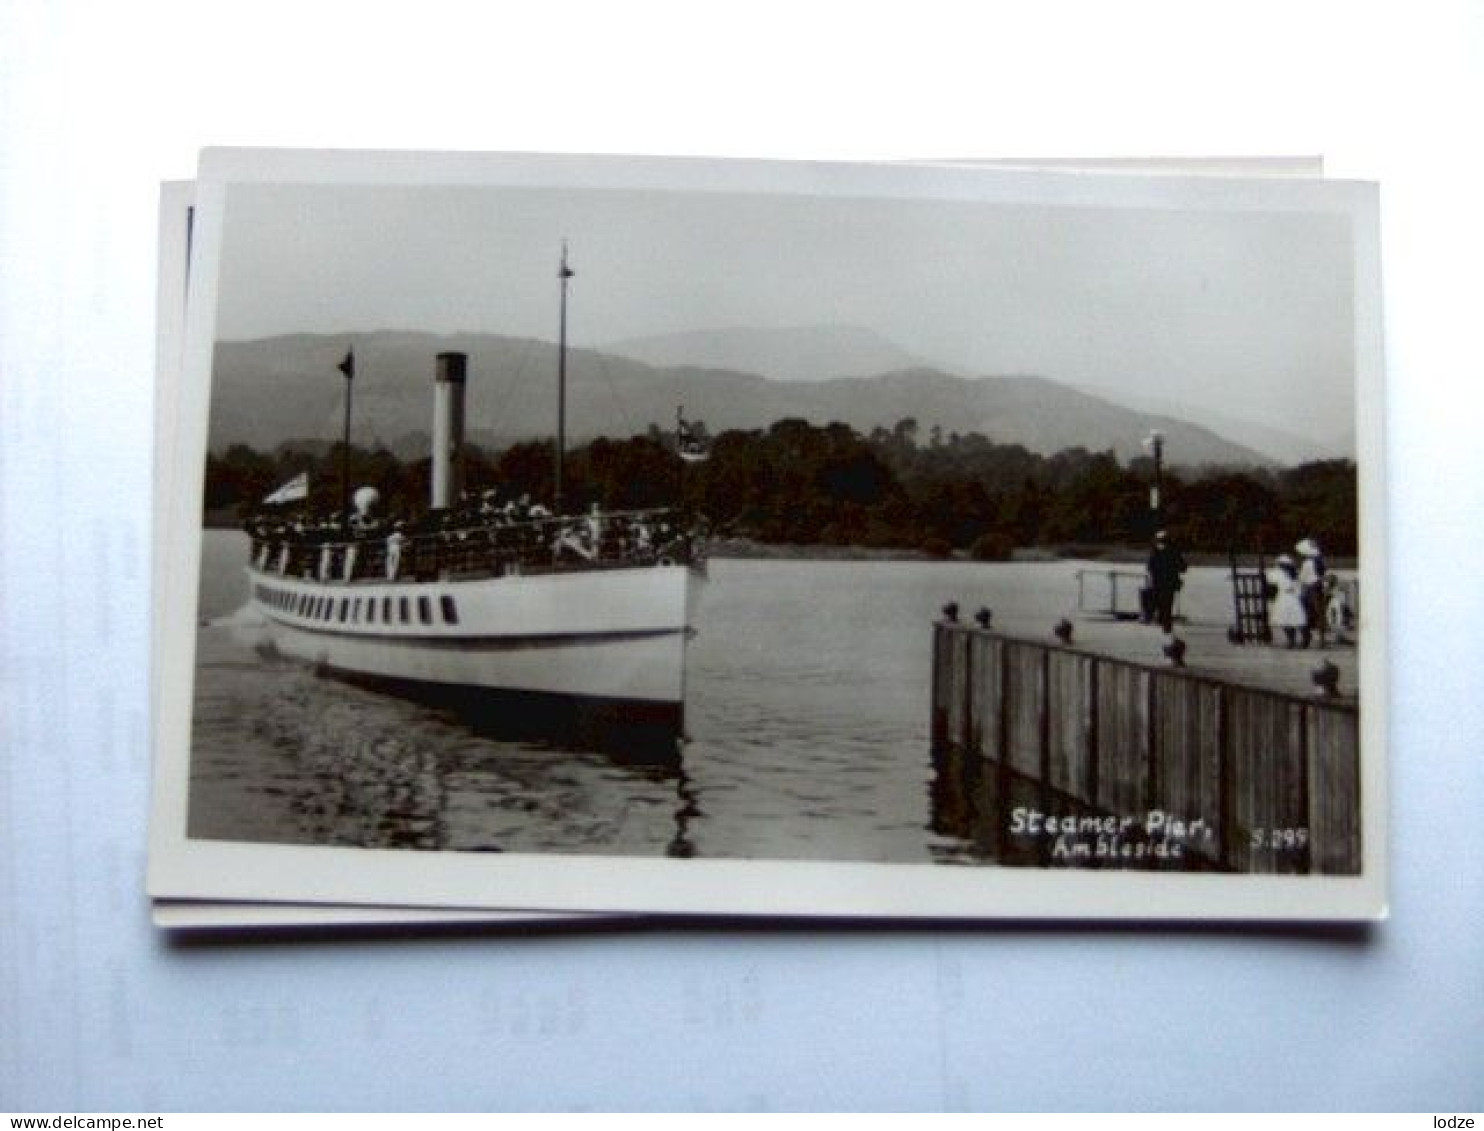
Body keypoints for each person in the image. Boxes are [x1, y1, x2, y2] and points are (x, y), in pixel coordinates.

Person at [1145, 529, 1187, 634]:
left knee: (1161, 602)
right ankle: (1165, 622)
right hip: (1168, 582)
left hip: (1160, 582)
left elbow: (1150, 567)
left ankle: (1161, 619)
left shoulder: (1156, 551)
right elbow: (1183, 567)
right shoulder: (1173, 551)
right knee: (1167, 603)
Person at [1268, 554, 1307, 648]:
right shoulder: (1291, 574)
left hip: (1287, 598)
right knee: (1291, 620)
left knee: (1289, 620)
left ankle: (1294, 640)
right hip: (1290, 598)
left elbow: (1271, 581)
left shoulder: (1280, 574)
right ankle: (1297, 640)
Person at [1296, 537, 1327, 648]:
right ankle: (1322, 640)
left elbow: (1302, 578)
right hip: (1317, 587)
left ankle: (1306, 638)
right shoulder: (1320, 561)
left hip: (1308, 588)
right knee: (1319, 614)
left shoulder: (1307, 563)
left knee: (1303, 614)